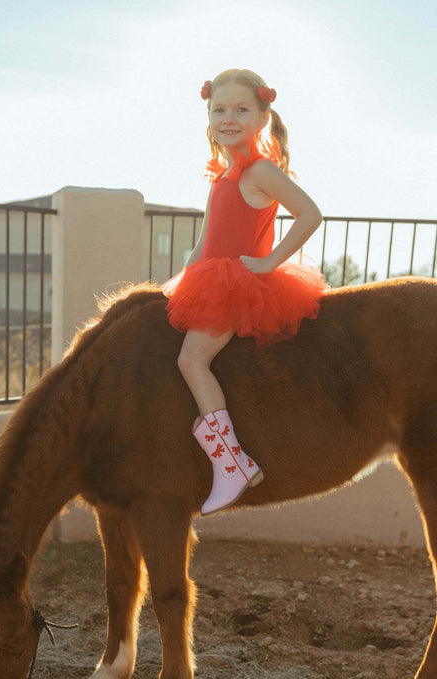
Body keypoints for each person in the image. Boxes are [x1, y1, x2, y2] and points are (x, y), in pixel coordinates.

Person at [164, 68, 328, 516]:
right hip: (210, 281)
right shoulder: (223, 174)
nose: (228, 118)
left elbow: (310, 214)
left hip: (237, 287)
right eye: (220, 110)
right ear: (209, 118)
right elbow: (204, 243)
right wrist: (180, 282)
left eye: (241, 109)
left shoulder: (260, 170)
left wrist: (271, 262)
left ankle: (231, 462)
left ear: (262, 117)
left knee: (191, 359)